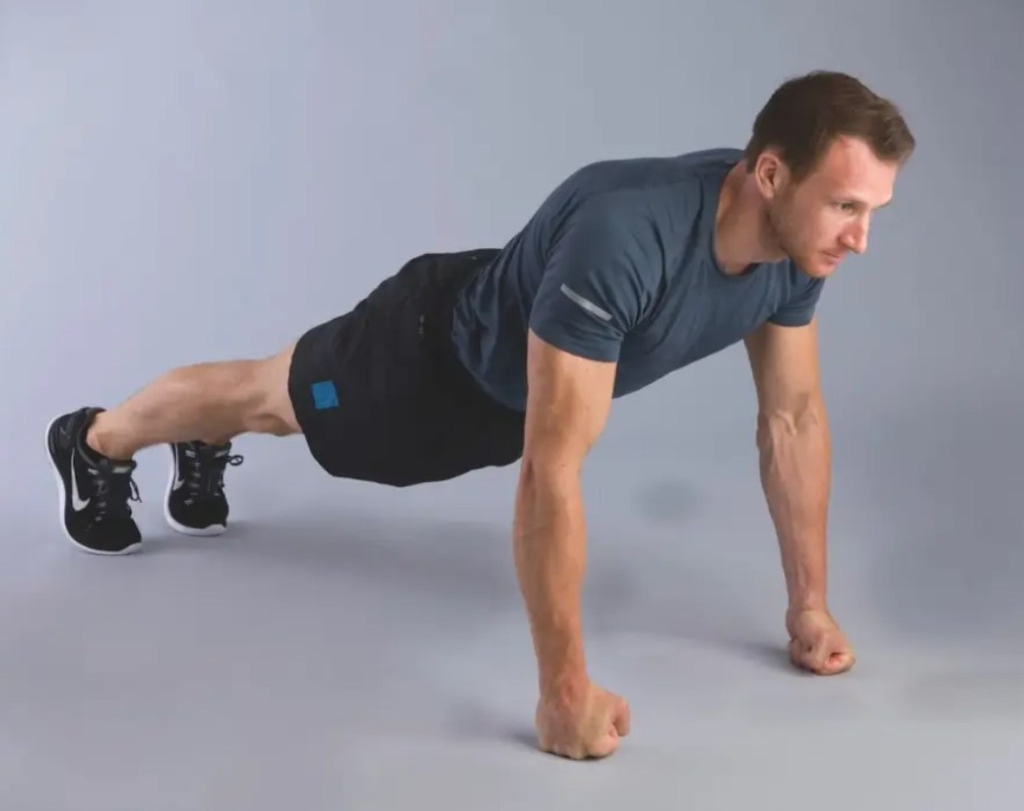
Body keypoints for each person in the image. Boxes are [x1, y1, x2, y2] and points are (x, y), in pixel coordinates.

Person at [45, 69, 914, 760]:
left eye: (872, 211)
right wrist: (565, 695)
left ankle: (187, 441)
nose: (860, 239)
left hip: (505, 379)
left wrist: (809, 606)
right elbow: (554, 468)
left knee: (266, 404)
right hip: (423, 362)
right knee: (268, 400)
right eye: (847, 206)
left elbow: (793, 418)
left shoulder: (801, 252)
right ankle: (95, 440)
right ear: (770, 173)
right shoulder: (628, 235)